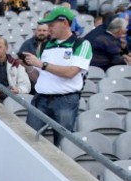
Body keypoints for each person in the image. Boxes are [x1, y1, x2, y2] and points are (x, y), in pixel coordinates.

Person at [22, 7, 92, 147]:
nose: (48, 29)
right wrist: (29, 68)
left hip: (65, 100)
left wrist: (42, 64)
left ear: (65, 23)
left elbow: (71, 72)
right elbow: (40, 78)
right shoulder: (44, 45)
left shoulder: (81, 44)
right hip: (40, 98)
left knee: (63, 145)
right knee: (29, 140)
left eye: (52, 25)